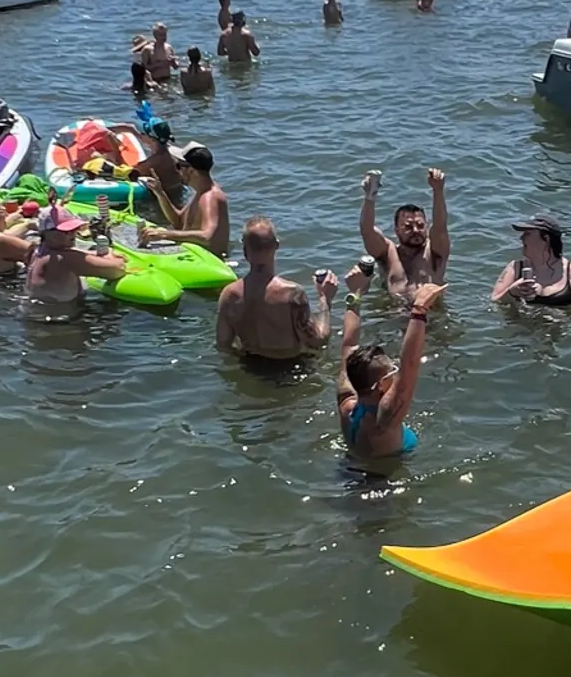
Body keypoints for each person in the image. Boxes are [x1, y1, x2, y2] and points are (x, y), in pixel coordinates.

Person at [336, 273, 441, 462]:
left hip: (351, 467)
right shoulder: (384, 420)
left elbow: (349, 346)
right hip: (382, 483)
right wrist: (419, 309)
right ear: (382, 385)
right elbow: (410, 364)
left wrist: (355, 296)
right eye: (393, 369)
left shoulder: (346, 403)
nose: (396, 370)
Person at [216, 220, 340, 358]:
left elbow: (224, 345)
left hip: (251, 367)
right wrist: (325, 299)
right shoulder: (292, 294)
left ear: (244, 249)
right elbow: (318, 342)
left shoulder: (229, 295)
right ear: (276, 245)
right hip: (288, 371)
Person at [360, 167, 450, 304]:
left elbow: (440, 227)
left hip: (430, 317)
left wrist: (438, 190)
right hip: (396, 316)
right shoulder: (388, 253)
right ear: (396, 230)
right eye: (408, 227)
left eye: (420, 225)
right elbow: (367, 231)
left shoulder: (435, 251)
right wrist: (369, 197)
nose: (415, 230)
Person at [24, 205, 127, 308]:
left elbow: (73, 253)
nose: (73, 234)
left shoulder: (38, 250)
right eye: (66, 231)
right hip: (62, 320)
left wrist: (96, 254)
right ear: (47, 233)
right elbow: (116, 270)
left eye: (74, 229)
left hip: (39, 313)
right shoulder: (64, 259)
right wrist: (111, 257)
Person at [141, 143, 230, 256]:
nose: (177, 171)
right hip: (192, 256)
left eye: (179, 166)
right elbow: (178, 221)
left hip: (206, 263)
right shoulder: (201, 192)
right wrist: (160, 193)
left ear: (192, 171)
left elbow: (207, 236)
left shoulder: (209, 197)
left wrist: (163, 234)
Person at [493, 215, 571, 309]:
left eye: (527, 233)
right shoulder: (515, 268)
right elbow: (495, 301)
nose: (521, 238)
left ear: (546, 238)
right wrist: (511, 292)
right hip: (522, 327)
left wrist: (570, 315)